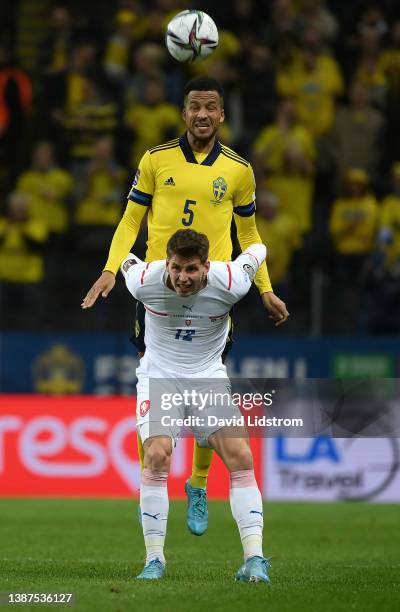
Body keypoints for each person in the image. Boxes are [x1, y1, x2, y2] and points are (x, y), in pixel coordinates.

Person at [82, 76, 289, 537]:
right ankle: (157, 481)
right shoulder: (155, 160)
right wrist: (112, 269)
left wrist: (264, 288)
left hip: (212, 287)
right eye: (194, 106)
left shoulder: (239, 170)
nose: (201, 114)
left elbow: (249, 237)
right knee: (159, 380)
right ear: (184, 112)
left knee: (206, 379)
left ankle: (197, 483)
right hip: (161, 286)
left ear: (221, 115)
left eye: (210, 107)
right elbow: (131, 219)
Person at [121, 228, 271, 583]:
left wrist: (269, 291)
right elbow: (124, 258)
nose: (182, 278)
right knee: (157, 454)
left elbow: (259, 247)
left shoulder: (233, 280)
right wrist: (115, 267)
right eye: (175, 268)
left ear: (207, 266)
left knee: (241, 456)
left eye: (191, 270)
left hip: (207, 378)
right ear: (167, 264)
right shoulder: (144, 281)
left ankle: (255, 559)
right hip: (160, 378)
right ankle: (154, 560)